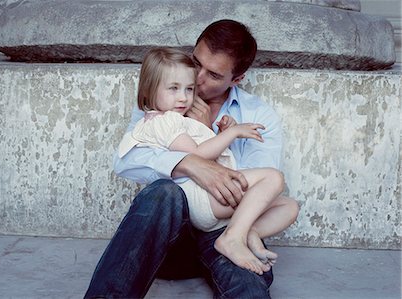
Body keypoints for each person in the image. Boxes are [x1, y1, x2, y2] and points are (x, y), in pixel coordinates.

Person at [85, 19, 299, 299]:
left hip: (223, 232)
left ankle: (241, 239)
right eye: (196, 63)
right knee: (164, 192)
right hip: (171, 239)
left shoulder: (259, 116)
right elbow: (126, 161)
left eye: (213, 75)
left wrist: (209, 131)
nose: (197, 80)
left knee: (249, 285)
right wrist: (188, 163)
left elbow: (249, 188)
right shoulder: (162, 96)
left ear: (236, 80)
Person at [117, 47, 297, 275]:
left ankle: (244, 232)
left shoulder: (179, 117)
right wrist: (230, 134)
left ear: (237, 79)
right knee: (273, 178)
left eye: (188, 89)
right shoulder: (165, 121)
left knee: (288, 206)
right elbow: (197, 157)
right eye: (174, 89)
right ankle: (233, 239)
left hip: (218, 200)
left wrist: (216, 131)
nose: (184, 97)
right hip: (202, 199)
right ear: (149, 91)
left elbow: (205, 151)